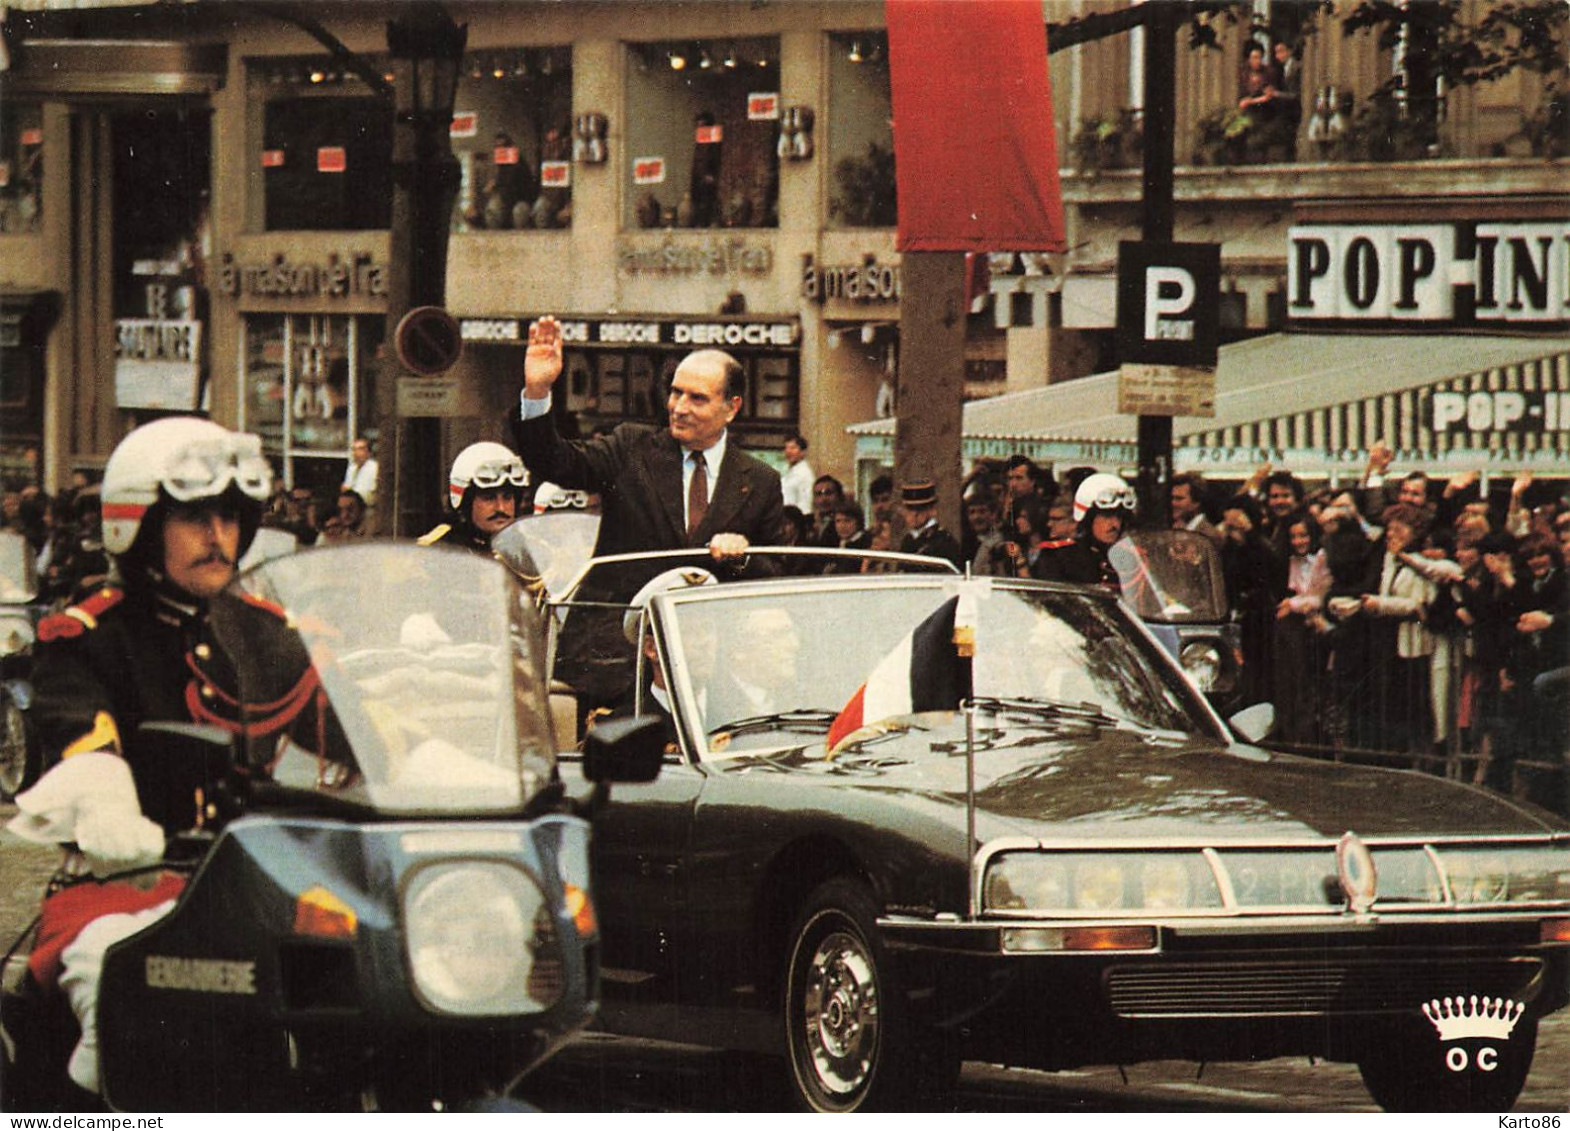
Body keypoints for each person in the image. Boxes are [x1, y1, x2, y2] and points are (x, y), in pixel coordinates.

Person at [7, 417, 337, 1096]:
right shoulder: (93, 637)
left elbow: (347, 730)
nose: (218, 535)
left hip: (262, 892)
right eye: (194, 517)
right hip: (127, 891)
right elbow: (79, 726)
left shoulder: (268, 637)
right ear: (139, 525)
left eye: (229, 516)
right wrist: (101, 790)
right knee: (118, 994)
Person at [511, 315, 781, 563]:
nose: (679, 407)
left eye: (697, 398)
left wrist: (742, 557)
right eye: (676, 393)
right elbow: (552, 462)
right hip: (625, 614)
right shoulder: (630, 447)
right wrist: (538, 390)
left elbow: (777, 573)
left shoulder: (761, 481)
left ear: (732, 407)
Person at [417, 441, 529, 555]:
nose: (501, 508)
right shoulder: (436, 551)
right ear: (465, 503)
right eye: (489, 498)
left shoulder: (531, 549)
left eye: (507, 497)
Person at [1033, 472, 1134, 594]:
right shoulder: (1058, 557)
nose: (1115, 525)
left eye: (1119, 517)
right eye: (1106, 516)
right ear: (1087, 518)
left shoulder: (1128, 559)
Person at [897, 479, 964, 570]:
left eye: (920, 509)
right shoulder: (907, 541)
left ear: (932, 510)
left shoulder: (944, 541)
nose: (914, 514)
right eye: (910, 509)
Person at [780, 432, 815, 514]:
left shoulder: (805, 474)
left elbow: (806, 503)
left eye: (793, 448)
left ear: (803, 452)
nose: (788, 451)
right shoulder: (786, 471)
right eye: (786, 448)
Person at [341, 436, 378, 508]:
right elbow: (345, 489)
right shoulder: (352, 468)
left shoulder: (374, 468)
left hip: (367, 508)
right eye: (354, 449)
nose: (356, 452)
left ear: (368, 452)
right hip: (350, 507)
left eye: (360, 449)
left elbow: (367, 494)